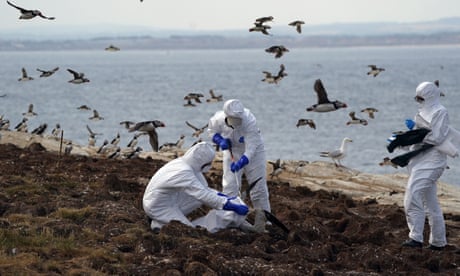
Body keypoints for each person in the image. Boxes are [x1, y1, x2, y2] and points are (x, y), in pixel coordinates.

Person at [142, 141, 250, 233]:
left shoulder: (188, 165)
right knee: (188, 231)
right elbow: (203, 195)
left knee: (197, 198)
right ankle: (159, 222)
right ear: (201, 161)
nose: (210, 165)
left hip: (168, 198)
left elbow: (204, 189)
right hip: (158, 206)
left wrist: (225, 198)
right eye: (208, 163)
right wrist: (231, 206)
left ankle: (159, 223)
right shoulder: (183, 172)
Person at [401, 81, 457, 250]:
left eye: (421, 98)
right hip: (421, 160)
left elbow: (437, 138)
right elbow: (424, 134)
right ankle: (438, 242)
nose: (419, 101)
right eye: (417, 98)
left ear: (430, 95)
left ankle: (416, 238)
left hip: (433, 162)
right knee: (430, 203)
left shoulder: (441, 112)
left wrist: (417, 130)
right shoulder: (423, 111)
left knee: (412, 195)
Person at [208, 99, 271, 213]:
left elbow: (252, 146)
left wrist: (242, 161)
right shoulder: (217, 119)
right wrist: (220, 140)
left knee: (258, 187)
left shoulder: (249, 120)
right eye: (234, 119)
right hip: (232, 150)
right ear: (227, 116)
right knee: (230, 186)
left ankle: (263, 218)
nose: (237, 122)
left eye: (239, 119)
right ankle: (228, 217)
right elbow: (212, 131)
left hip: (255, 152)